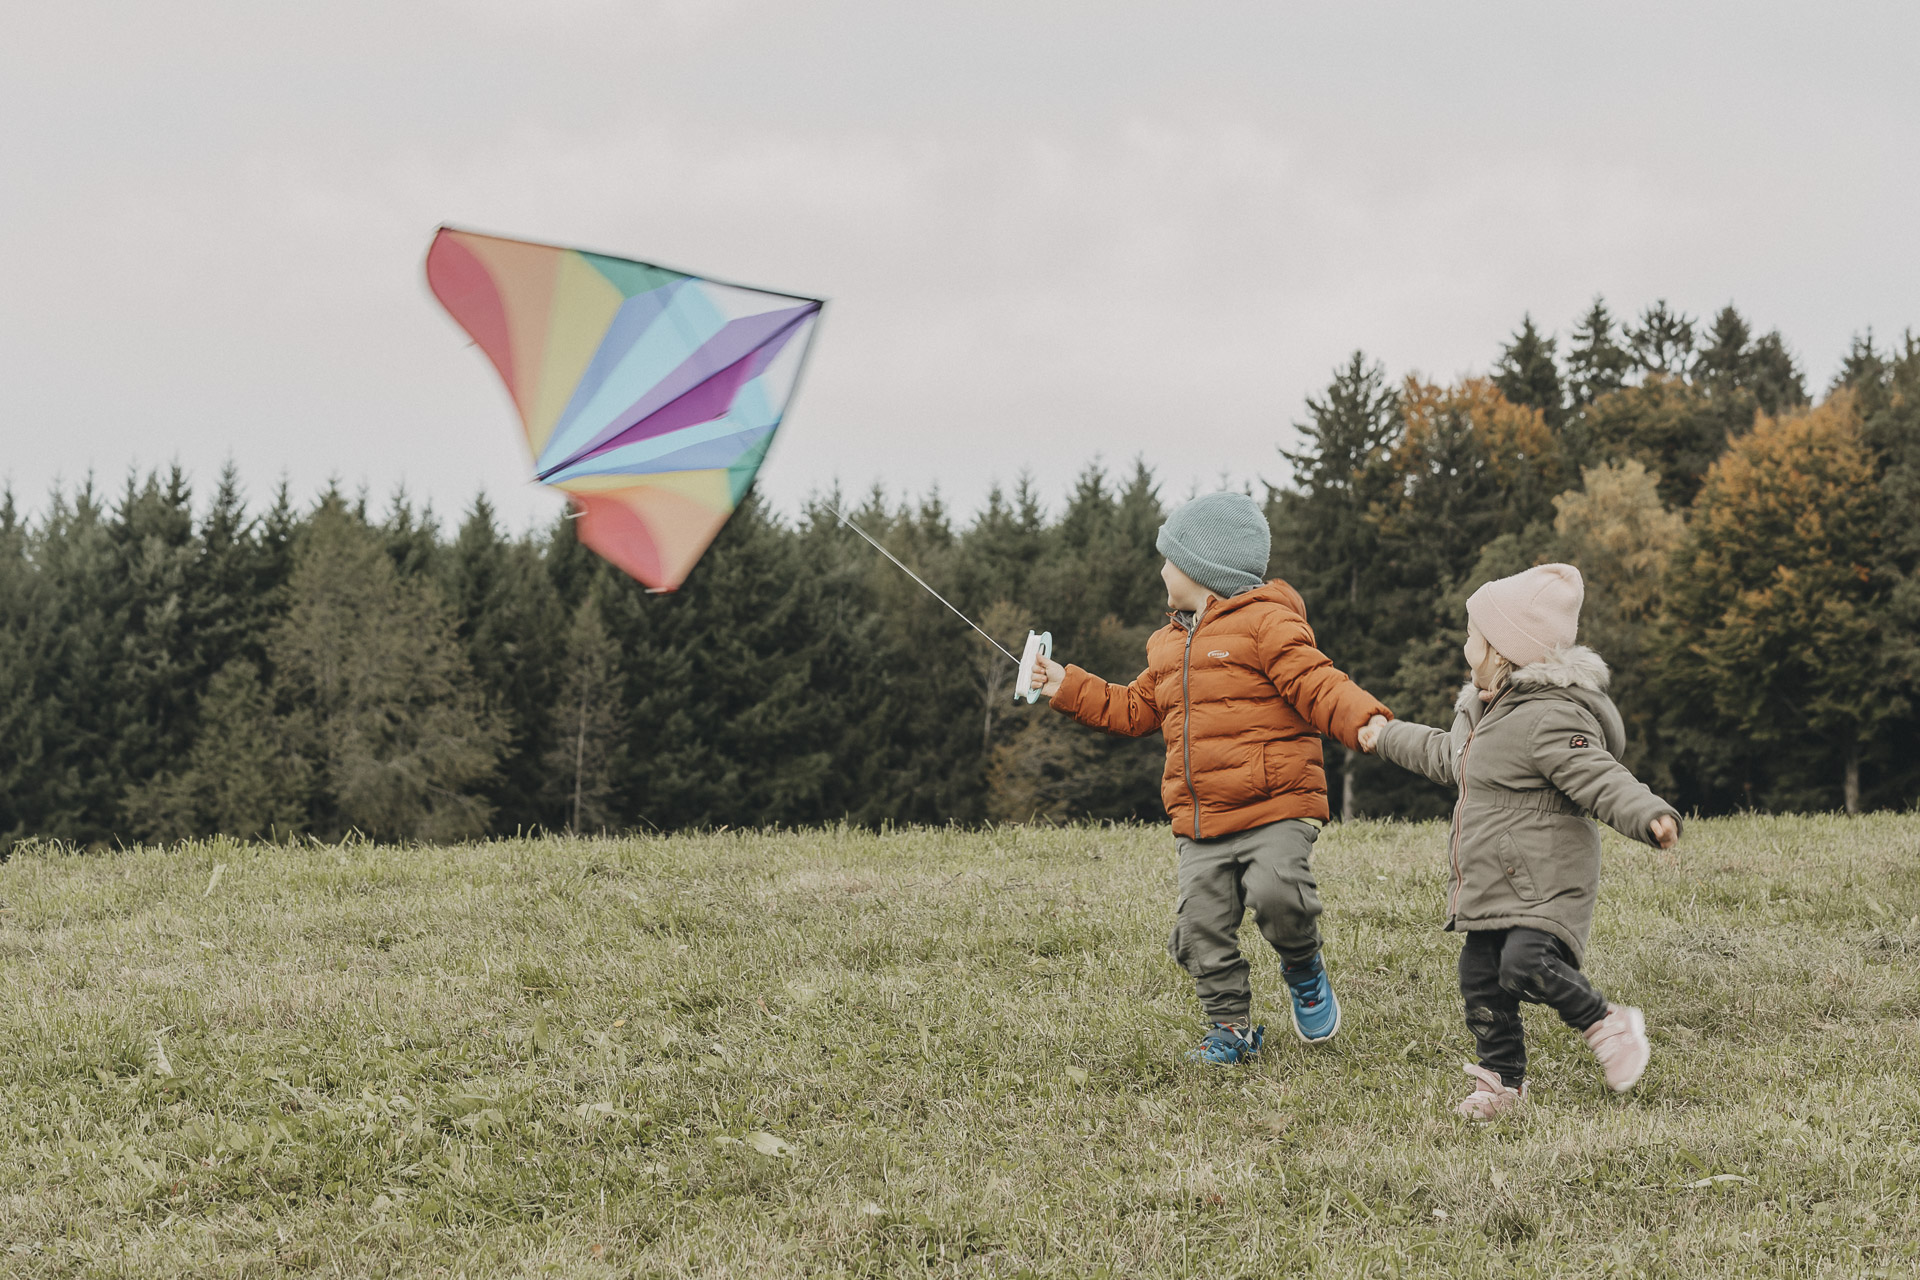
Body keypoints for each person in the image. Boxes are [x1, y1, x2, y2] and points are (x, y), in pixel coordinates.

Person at [1027, 490, 1392, 1064]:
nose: (1161, 570)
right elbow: (1132, 709)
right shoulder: (1167, 644)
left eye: (1169, 559)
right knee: (1200, 927)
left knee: (1278, 894)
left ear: (1203, 568)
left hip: (1276, 803)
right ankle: (1229, 1026)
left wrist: (1364, 719)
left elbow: (1318, 683)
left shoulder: (1269, 624)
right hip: (1202, 818)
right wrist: (1063, 684)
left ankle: (1303, 968)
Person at [1356, 563, 1680, 1119]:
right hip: (1494, 883)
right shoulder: (1482, 716)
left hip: (1543, 883)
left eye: (1473, 636)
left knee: (1524, 963)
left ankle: (1607, 1024)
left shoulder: (1550, 718)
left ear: (1502, 651)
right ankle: (1502, 1083)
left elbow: (1598, 775)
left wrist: (1648, 813)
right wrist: (1387, 736)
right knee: (1481, 978)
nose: (1466, 647)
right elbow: (1444, 755)